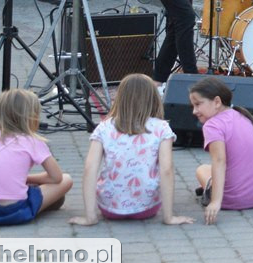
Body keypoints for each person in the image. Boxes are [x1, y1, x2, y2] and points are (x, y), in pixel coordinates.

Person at [69, 74, 193, 226]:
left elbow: (90, 168)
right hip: (147, 207)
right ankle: (166, 214)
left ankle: (92, 216)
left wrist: (89, 216)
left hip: (110, 208)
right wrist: (169, 217)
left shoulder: (104, 127)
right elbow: (166, 170)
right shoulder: (161, 128)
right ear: (153, 99)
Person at [0, 89, 73, 228]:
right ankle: (35, 202)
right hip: (12, 210)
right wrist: (28, 179)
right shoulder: (32, 141)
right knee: (67, 179)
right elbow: (56, 177)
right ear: (31, 117)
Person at [189, 77, 253, 225]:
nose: (194, 111)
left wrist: (215, 202)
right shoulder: (245, 115)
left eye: (198, 104)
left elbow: (219, 161)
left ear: (217, 102)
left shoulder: (212, 126)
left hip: (229, 200)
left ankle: (217, 190)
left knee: (202, 169)